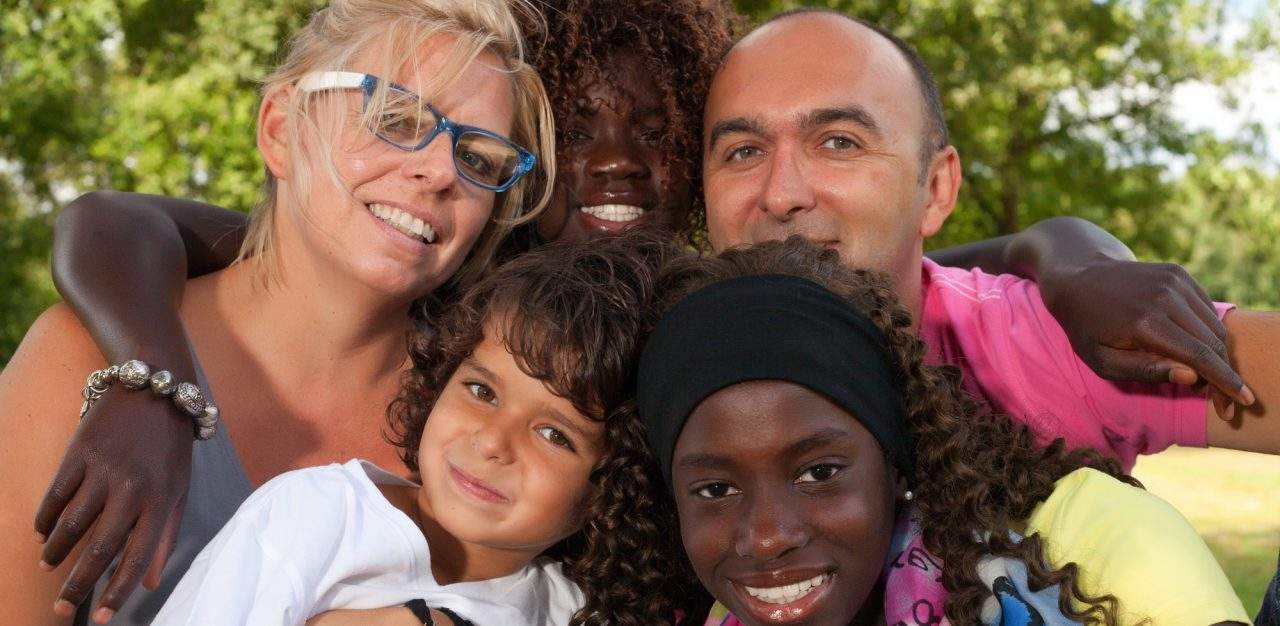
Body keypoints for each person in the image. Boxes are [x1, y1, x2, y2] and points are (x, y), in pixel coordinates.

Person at [0, 0, 556, 623]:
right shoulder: (78, 360)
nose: (438, 171)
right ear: (280, 130)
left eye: (479, 158)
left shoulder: (474, 436)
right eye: (393, 117)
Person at [700, 8, 1280, 464]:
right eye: (743, 151)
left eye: (839, 142)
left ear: (935, 190)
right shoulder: (655, 363)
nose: (780, 194)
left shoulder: (1040, 349)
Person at [638, 237, 1249, 625]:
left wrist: (1050, 248)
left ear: (896, 460)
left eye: (819, 473)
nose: (768, 538)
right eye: (715, 490)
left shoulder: (1095, 543)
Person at [153, 234, 682, 625]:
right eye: (482, 392)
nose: (493, 442)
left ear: (609, 493)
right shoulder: (318, 516)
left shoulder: (573, 612)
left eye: (554, 435)